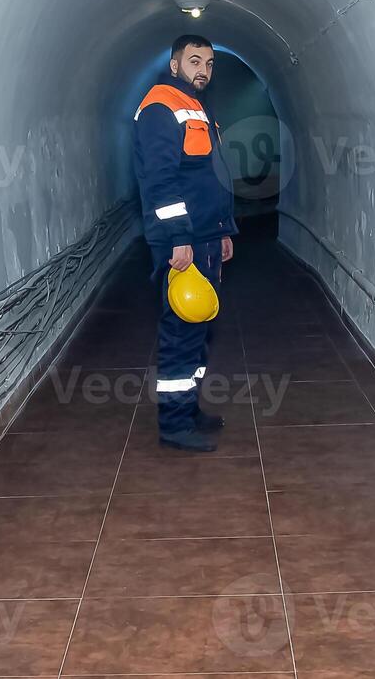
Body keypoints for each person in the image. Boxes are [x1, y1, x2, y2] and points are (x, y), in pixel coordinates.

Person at [132, 33, 238, 451]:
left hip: (206, 237)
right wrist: (178, 238)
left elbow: (211, 176)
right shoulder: (162, 107)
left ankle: (188, 409)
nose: (204, 70)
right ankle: (174, 425)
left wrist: (225, 229)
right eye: (194, 61)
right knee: (181, 330)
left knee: (199, 330)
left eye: (210, 64)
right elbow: (161, 182)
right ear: (174, 64)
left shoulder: (196, 107)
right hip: (184, 243)